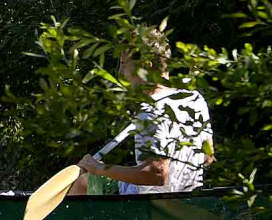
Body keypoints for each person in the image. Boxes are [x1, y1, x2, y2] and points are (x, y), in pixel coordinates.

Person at [71, 26, 214, 195]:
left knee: (81, 182)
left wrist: (99, 168)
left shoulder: (151, 112)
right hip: (190, 196)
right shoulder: (194, 98)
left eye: (124, 64)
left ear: (144, 65)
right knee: (86, 180)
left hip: (151, 204)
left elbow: (157, 174)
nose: (121, 73)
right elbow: (208, 157)